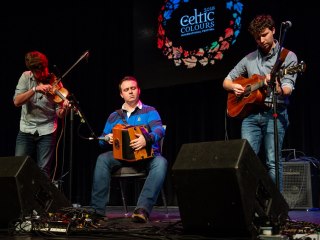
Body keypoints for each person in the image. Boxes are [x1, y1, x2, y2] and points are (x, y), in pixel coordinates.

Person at [222, 15, 298, 188]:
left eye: (264, 35)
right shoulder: (248, 58)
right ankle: (252, 206)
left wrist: (277, 87)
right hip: (250, 115)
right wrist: (234, 87)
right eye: (257, 37)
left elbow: (287, 89)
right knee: (246, 161)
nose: (261, 40)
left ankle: (275, 209)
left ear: (273, 30)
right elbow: (226, 81)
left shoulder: (288, 56)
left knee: (272, 161)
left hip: (275, 113)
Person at [91, 75, 167, 223]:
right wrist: (107, 139)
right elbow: (101, 140)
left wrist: (146, 139)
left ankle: (142, 210)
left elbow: (159, 130)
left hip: (146, 158)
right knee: (102, 159)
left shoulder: (149, 110)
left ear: (138, 90)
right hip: (122, 158)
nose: (130, 92)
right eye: (126, 90)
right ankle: (97, 211)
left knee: (161, 162)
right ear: (121, 94)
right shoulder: (114, 116)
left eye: (133, 88)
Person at [13, 51, 70, 178]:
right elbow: (16, 101)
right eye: (39, 72)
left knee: (43, 171)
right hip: (26, 128)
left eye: (45, 69)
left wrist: (64, 110)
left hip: (47, 130)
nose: (44, 74)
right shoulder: (25, 77)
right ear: (32, 71)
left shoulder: (55, 82)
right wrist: (34, 89)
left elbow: (59, 113)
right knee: (18, 168)